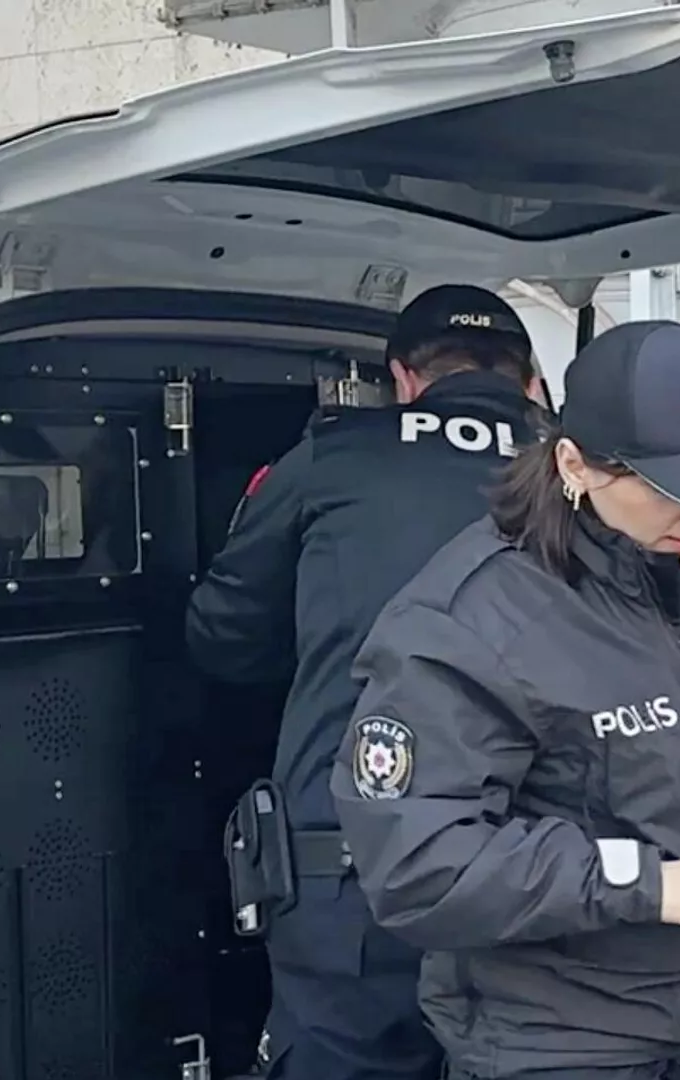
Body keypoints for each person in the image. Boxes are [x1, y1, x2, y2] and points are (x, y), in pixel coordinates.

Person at [332, 320, 680, 1080]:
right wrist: (648, 882)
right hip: (562, 1036)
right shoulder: (468, 621)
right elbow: (419, 862)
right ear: (574, 464)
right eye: (670, 489)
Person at [186, 284, 546, 1080]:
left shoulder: (332, 457)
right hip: (546, 872)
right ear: (531, 384)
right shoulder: (588, 470)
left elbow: (223, 638)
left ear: (404, 380)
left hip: (356, 869)